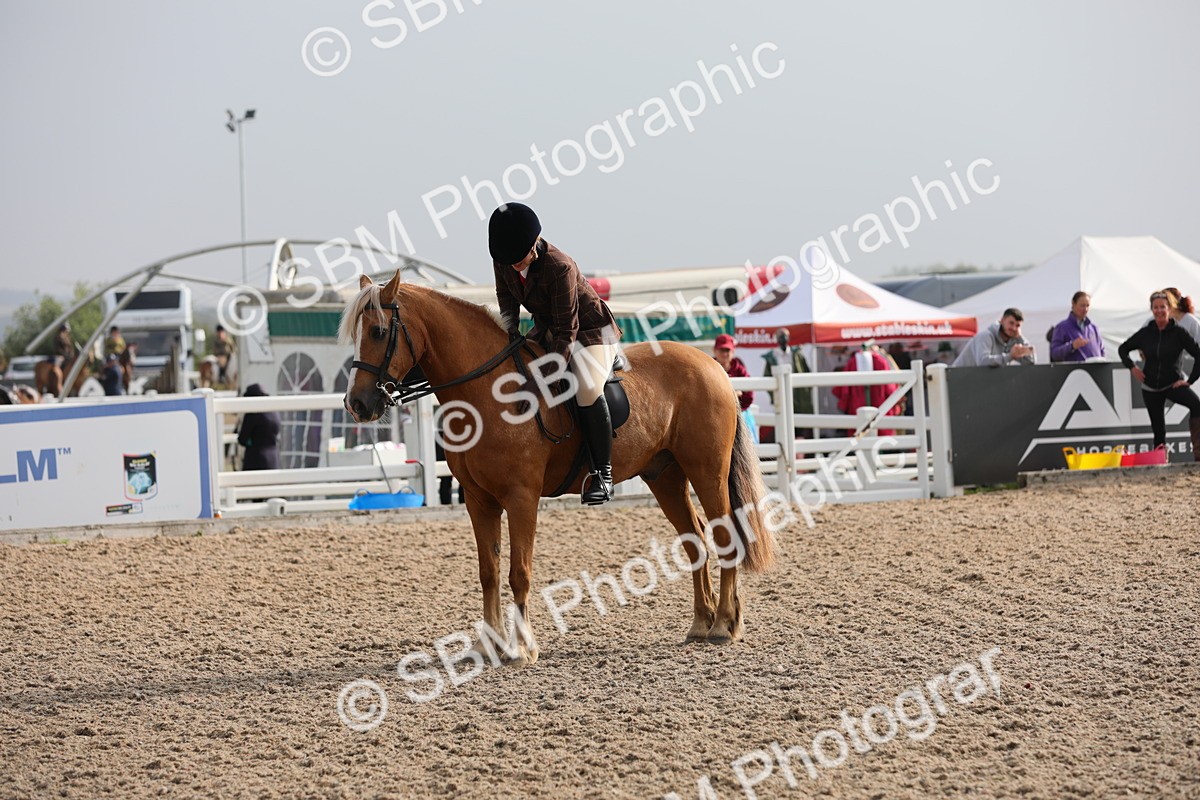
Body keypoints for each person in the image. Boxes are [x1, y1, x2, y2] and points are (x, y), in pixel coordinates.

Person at [490, 203, 622, 505]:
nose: (513, 266)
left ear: (533, 244)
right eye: (507, 261)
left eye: (518, 259)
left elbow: (568, 332)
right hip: (549, 328)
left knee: (587, 388)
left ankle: (604, 474)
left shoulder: (558, 266)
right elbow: (506, 303)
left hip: (591, 333)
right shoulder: (504, 259)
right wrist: (509, 338)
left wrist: (544, 378)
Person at [1118, 290, 1200, 459]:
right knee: (1158, 430)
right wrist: (1132, 368)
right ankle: (1160, 464)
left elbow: (1198, 354)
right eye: (1155, 308)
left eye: (1162, 307)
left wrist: (1190, 380)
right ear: (1152, 310)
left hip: (1173, 384)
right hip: (1150, 387)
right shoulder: (1146, 332)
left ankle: (1198, 455)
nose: (1159, 311)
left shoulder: (1179, 333)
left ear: (1169, 308)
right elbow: (1123, 349)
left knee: (1197, 405)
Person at [832, 342, 902, 436]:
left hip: (857, 405)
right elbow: (891, 389)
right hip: (879, 405)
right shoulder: (881, 361)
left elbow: (843, 391)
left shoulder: (852, 362)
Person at [762, 329, 814, 439]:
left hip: (799, 399)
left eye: (785, 335)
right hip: (782, 398)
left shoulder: (797, 354)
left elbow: (807, 373)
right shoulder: (772, 357)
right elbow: (767, 378)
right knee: (784, 429)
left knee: (802, 430)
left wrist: (805, 392)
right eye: (780, 336)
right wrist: (775, 397)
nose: (783, 338)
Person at [951, 308, 1037, 367]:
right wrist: (1010, 356)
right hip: (959, 381)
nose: (1014, 328)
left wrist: (1020, 337)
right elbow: (983, 362)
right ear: (1002, 320)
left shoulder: (1013, 341)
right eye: (1011, 323)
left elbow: (1031, 362)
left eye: (1018, 325)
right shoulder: (985, 336)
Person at [712, 333, 757, 442]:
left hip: (739, 413)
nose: (724, 354)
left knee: (747, 439)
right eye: (721, 350)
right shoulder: (709, 367)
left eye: (727, 350)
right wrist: (734, 393)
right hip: (714, 413)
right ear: (715, 351)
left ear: (733, 352)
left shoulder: (740, 370)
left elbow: (749, 395)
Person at [1049, 292, 1105, 363]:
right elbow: (1054, 353)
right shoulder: (1061, 327)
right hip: (1075, 372)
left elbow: (1102, 351)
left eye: (1087, 306)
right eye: (1082, 305)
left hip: (1096, 372)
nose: (1085, 309)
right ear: (1073, 304)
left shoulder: (1094, 328)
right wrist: (1072, 346)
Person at [237, 384, 281, 470]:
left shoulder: (252, 414)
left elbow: (242, 439)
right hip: (273, 459)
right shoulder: (274, 412)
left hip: (255, 460)